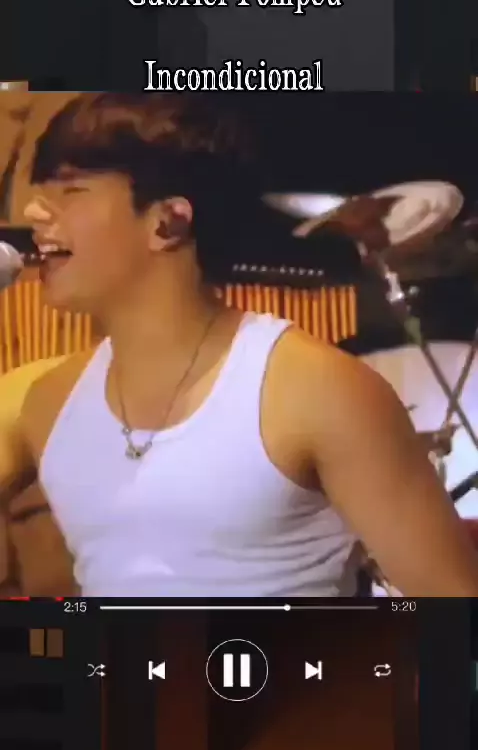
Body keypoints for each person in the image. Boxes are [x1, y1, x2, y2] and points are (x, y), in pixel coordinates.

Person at [1, 92, 478, 597]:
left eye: (71, 190)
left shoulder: (317, 389)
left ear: (168, 221)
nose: (33, 211)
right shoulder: (35, 398)